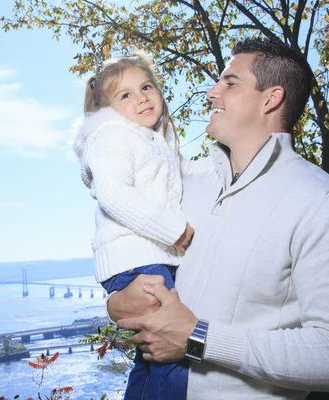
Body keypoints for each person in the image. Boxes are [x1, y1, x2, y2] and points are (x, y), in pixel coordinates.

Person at [110, 38, 329, 399]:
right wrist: (116, 301)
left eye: (229, 82)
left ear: (270, 98)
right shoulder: (182, 182)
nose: (211, 93)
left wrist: (200, 339)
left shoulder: (322, 203)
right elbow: (123, 241)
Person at [72, 50, 195, 400]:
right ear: (108, 110)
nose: (141, 97)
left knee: (152, 356)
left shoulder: (151, 140)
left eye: (147, 87)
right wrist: (176, 231)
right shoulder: (113, 135)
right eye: (125, 95)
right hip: (137, 260)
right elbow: (113, 194)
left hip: (148, 258)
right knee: (173, 352)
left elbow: (183, 177)